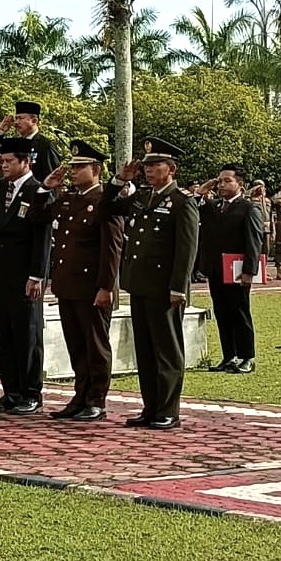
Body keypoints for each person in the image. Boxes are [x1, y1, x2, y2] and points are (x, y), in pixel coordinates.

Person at [103, 137, 199, 430]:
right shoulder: (143, 197)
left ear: (171, 168)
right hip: (141, 284)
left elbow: (186, 249)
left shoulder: (182, 202)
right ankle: (151, 406)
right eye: (146, 166)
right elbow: (107, 208)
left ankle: (168, 409)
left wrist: (179, 287)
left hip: (165, 287)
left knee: (166, 350)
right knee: (144, 350)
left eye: (155, 165)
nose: (148, 170)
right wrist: (120, 180)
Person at [37, 141, 123, 422]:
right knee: (76, 344)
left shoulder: (104, 201)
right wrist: (44, 188)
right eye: (72, 167)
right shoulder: (68, 199)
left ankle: (96, 399)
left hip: (92, 287)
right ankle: (80, 394)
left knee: (95, 345)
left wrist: (106, 286)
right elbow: (35, 215)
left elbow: (112, 248)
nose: (73, 172)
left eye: (79, 167)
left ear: (96, 169)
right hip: (69, 285)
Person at [0, 138, 51, 415]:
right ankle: (11, 391)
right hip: (1, 272)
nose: (3, 166)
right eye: (1, 161)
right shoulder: (0, 187)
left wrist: (37, 275)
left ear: (25, 162)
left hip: (24, 272)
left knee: (27, 334)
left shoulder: (37, 190)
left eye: (8, 161)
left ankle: (30, 392)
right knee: (6, 333)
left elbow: (42, 237)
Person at [194, 164, 263, 374]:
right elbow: (190, 207)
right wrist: (201, 191)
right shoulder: (213, 207)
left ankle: (247, 357)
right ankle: (229, 356)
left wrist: (250, 270)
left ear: (239, 184)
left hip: (238, 269)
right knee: (221, 312)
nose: (222, 185)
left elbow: (254, 240)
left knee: (240, 312)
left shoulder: (249, 208)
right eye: (220, 181)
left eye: (227, 181)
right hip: (216, 268)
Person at [0, 100, 61, 182]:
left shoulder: (45, 145)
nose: (16, 122)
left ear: (34, 121)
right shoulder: (16, 144)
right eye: (16, 118)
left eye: (20, 118)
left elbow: (52, 177)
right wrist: (0, 132)